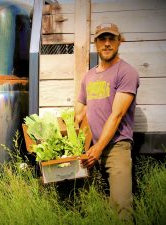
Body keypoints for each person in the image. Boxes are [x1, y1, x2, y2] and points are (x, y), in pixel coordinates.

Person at [75, 23, 139, 221]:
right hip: (92, 149)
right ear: (96, 43)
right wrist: (75, 137)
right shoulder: (89, 76)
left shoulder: (127, 72)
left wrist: (99, 149)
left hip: (116, 147)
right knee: (96, 209)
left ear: (119, 41)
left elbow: (117, 115)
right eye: (102, 39)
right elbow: (80, 108)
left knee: (122, 210)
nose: (107, 43)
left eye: (112, 38)